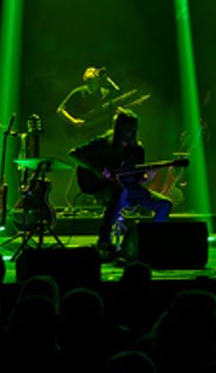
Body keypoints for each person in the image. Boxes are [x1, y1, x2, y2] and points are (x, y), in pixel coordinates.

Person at [70, 107, 171, 259]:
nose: (131, 131)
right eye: (128, 128)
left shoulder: (138, 150)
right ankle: (104, 238)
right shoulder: (103, 143)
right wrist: (97, 170)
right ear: (119, 128)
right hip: (104, 188)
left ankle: (149, 240)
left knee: (165, 204)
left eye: (134, 128)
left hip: (130, 189)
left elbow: (137, 178)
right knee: (120, 191)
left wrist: (148, 177)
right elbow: (74, 154)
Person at [56, 66, 119, 130]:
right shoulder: (79, 92)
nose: (95, 73)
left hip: (102, 128)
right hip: (84, 130)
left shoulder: (105, 92)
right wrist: (74, 121)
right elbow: (60, 110)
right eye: (91, 72)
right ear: (86, 78)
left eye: (96, 71)